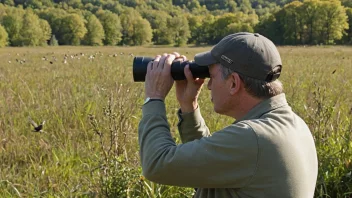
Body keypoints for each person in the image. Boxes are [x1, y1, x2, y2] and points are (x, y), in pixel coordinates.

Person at [138, 32, 318, 198]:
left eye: (212, 76)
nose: (208, 86)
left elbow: (157, 164)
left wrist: (154, 97)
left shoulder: (253, 137)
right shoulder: (294, 125)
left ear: (233, 83)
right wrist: (189, 107)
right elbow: (209, 170)